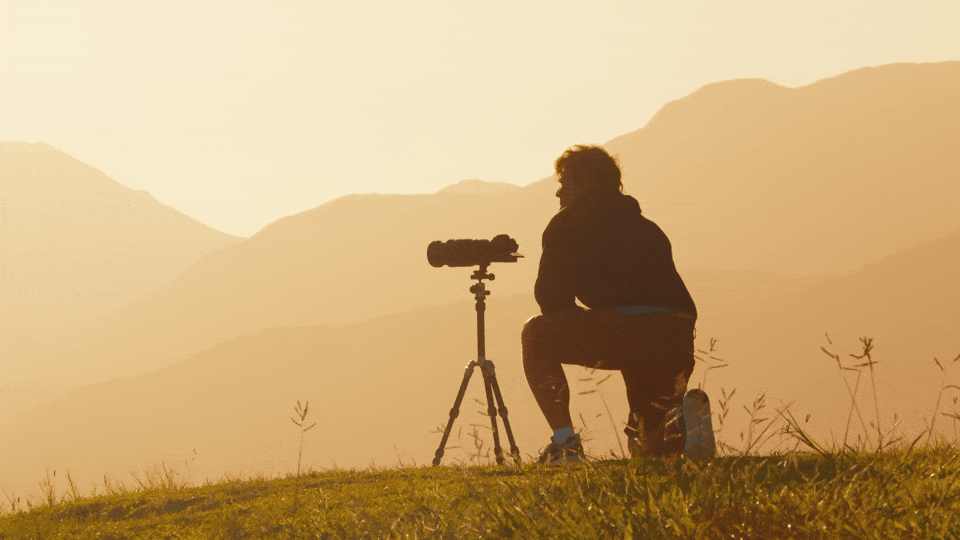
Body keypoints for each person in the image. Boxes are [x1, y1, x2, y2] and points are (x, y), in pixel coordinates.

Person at [521, 144, 698, 463]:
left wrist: (588, 323)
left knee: (536, 334)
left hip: (624, 332)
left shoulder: (567, 224)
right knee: (649, 448)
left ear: (583, 184)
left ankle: (566, 444)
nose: (558, 193)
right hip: (676, 334)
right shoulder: (648, 228)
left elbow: (551, 300)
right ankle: (678, 430)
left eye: (563, 183)